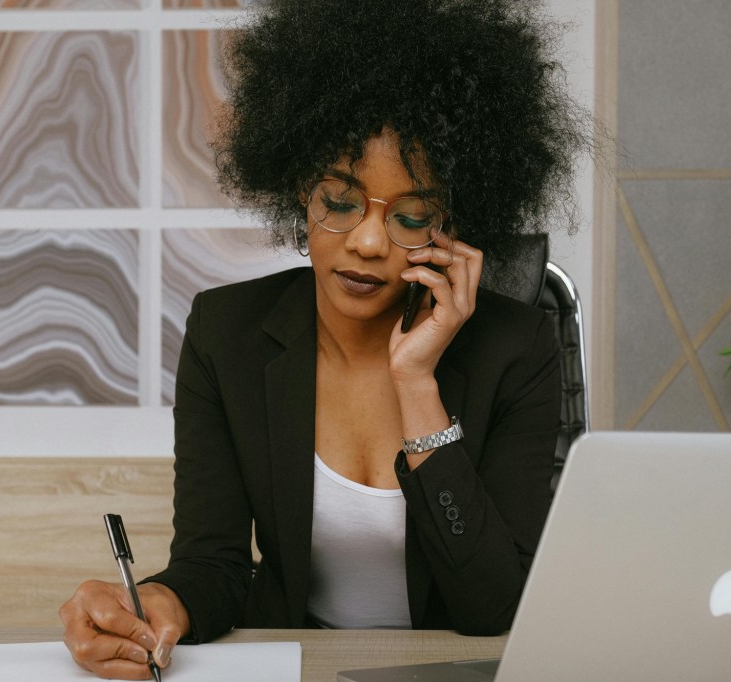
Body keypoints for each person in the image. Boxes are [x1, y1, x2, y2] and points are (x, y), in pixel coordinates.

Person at [60, 0, 587, 678]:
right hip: (299, 665)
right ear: (296, 193)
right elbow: (213, 565)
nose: (367, 242)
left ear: (448, 225)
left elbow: (493, 607)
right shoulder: (229, 336)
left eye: (411, 214)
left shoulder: (515, 347)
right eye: (339, 202)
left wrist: (417, 384)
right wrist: (161, 600)